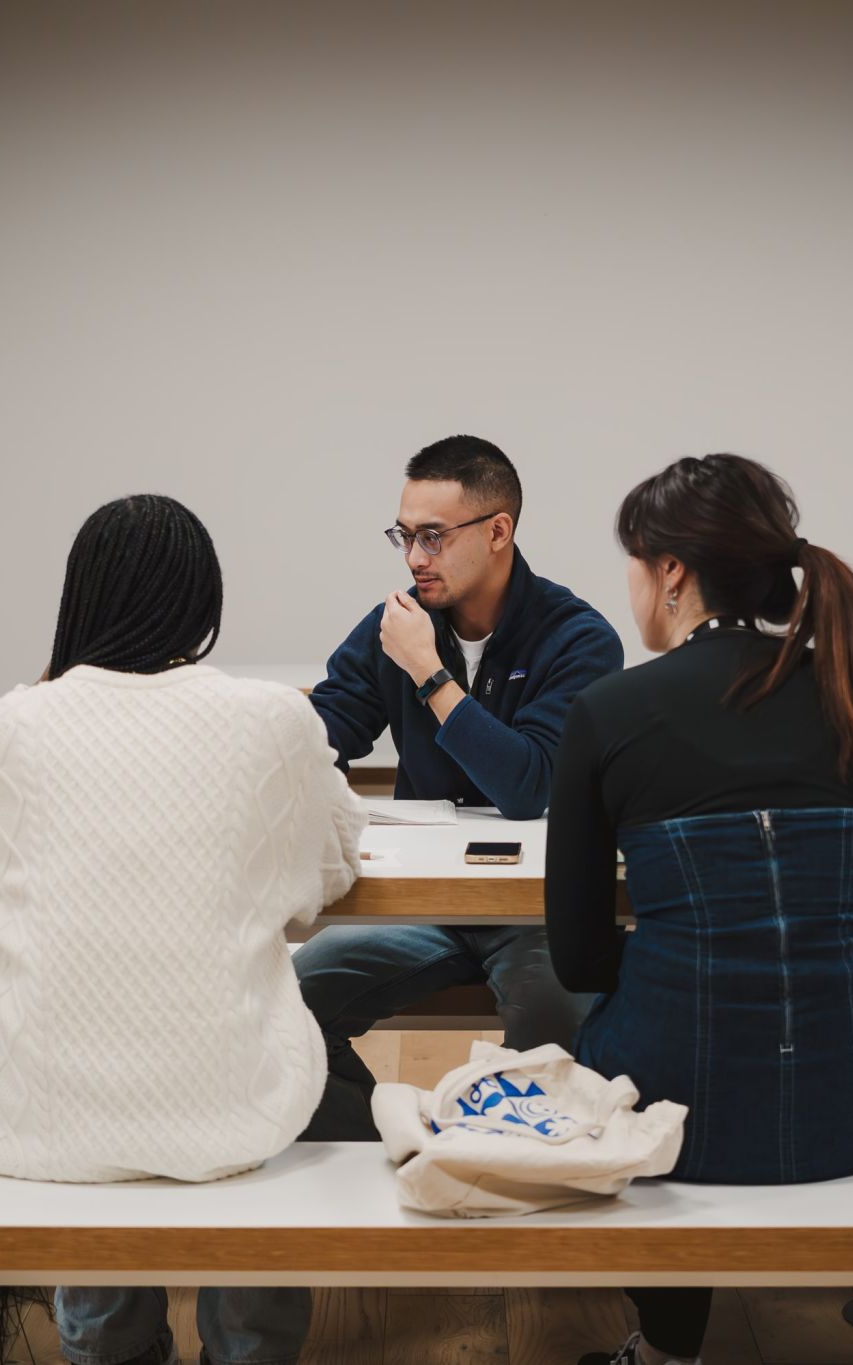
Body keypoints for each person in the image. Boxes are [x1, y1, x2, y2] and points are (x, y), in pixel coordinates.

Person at [0, 495, 366, 1365]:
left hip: (41, 1112)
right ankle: (249, 1350)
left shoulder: (9, 726)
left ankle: (109, 1347)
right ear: (203, 604)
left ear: (81, 597)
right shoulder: (273, 719)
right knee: (255, 1124)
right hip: (235, 1102)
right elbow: (330, 868)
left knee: (80, 1111)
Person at [546, 455, 853, 1365]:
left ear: (671, 570)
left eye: (635, 565)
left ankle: (663, 1349)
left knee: (602, 1028)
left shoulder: (608, 711)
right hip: (847, 1100)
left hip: (672, 1113)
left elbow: (576, 956)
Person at [295, 436, 624, 1138]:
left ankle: (511, 1166)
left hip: (535, 907)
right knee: (286, 1004)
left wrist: (431, 676)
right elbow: (324, 732)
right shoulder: (397, 625)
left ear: (498, 530)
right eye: (405, 536)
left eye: (433, 537)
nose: (415, 558)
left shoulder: (577, 639)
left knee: (555, 1038)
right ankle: (393, 1149)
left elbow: (529, 786)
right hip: (426, 900)